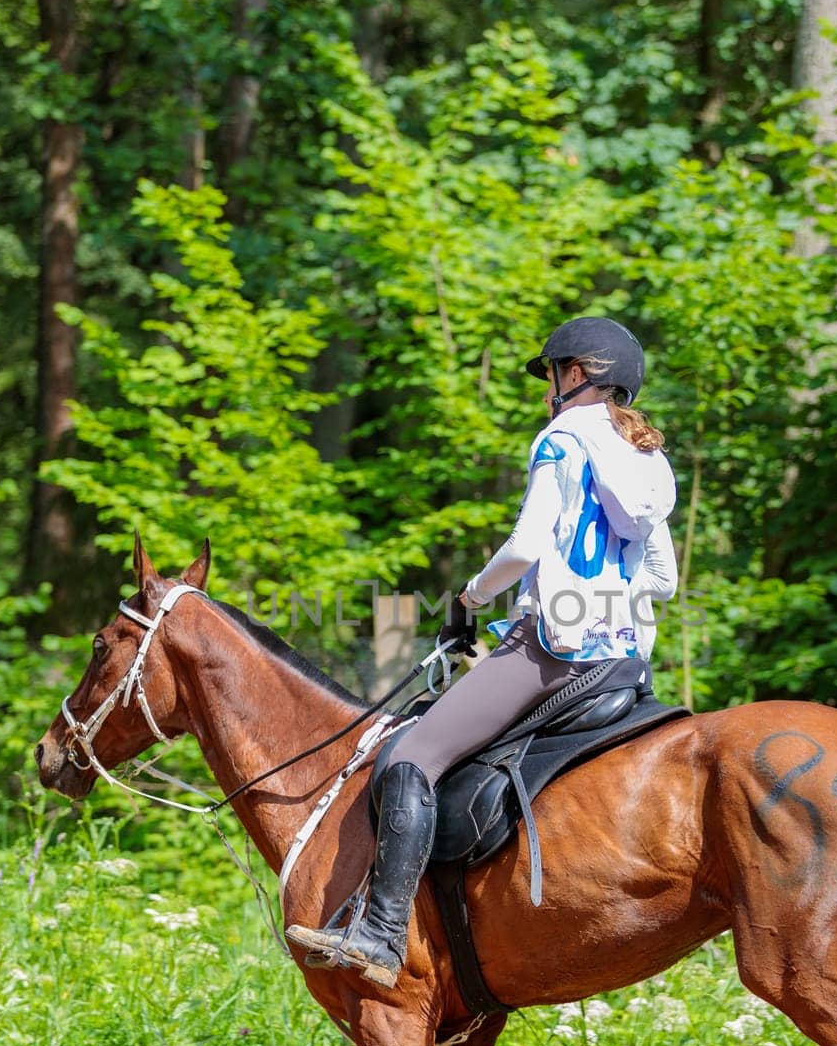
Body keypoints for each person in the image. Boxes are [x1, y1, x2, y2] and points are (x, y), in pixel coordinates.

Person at [286, 316, 678, 986]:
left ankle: (379, 935)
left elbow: (526, 547)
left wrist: (468, 601)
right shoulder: (645, 457)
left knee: (409, 755)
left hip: (551, 646)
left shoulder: (561, 439)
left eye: (552, 375)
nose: (547, 390)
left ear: (575, 375)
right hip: (621, 655)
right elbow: (664, 581)